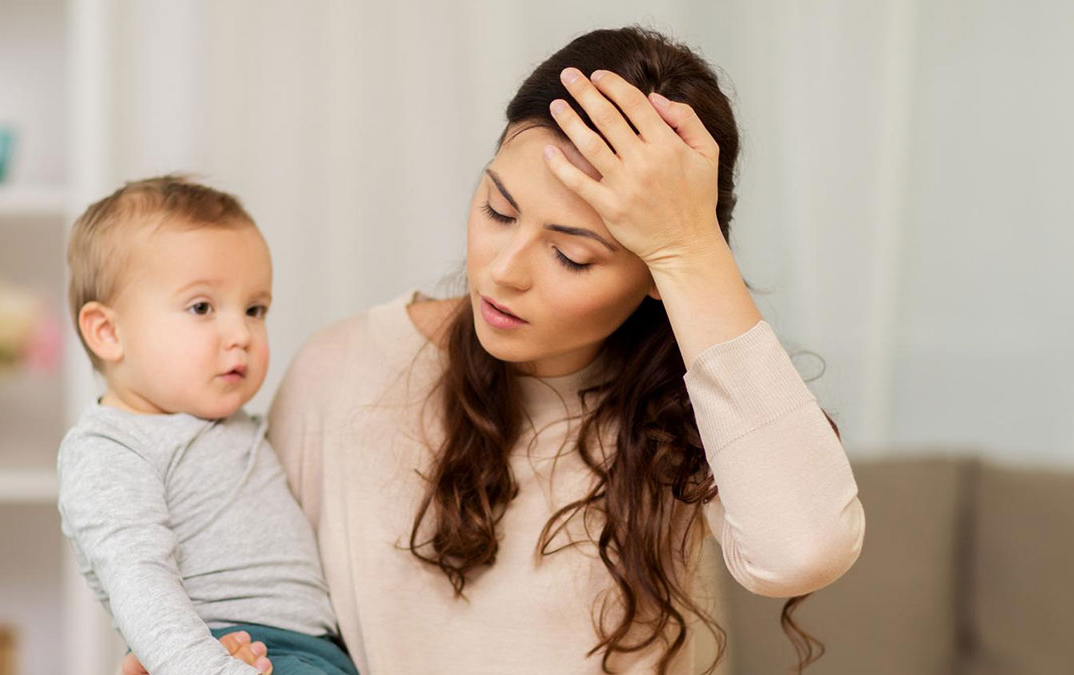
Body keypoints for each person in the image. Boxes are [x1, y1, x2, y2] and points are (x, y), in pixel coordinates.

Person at [125, 25, 866, 675]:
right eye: (498, 209)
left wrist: (691, 247)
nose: (503, 270)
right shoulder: (342, 372)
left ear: (654, 276)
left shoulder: (696, 410)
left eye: (572, 256)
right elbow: (271, 618)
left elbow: (803, 549)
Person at [60, 176, 359, 675]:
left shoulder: (241, 426)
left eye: (255, 309)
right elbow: (139, 580)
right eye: (202, 307)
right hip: (226, 650)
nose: (240, 333)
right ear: (109, 332)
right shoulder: (110, 448)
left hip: (319, 654)